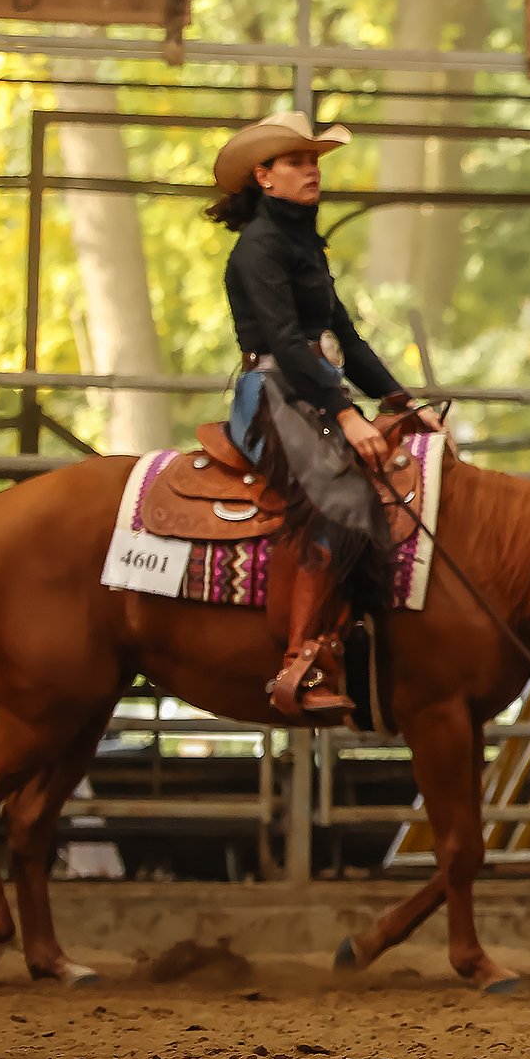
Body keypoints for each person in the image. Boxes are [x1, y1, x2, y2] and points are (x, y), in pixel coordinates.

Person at [206, 112, 414, 721]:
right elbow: (286, 344)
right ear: (264, 176)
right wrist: (347, 414)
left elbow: (346, 339)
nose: (311, 171)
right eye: (296, 162)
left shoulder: (304, 245)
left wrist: (401, 402)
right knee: (341, 499)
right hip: (269, 394)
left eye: (314, 161)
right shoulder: (259, 248)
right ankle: (301, 661)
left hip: (308, 390)